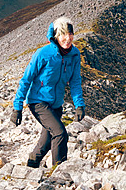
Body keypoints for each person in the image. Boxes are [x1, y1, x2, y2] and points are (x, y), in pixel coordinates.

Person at [11, 16, 85, 168]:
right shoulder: (43, 54)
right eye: (63, 34)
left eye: (70, 34)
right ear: (56, 35)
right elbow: (26, 80)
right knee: (60, 133)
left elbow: (75, 81)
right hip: (38, 102)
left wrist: (79, 105)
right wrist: (17, 108)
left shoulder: (74, 54)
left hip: (56, 105)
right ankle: (59, 171)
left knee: (46, 142)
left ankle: (31, 165)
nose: (67, 38)